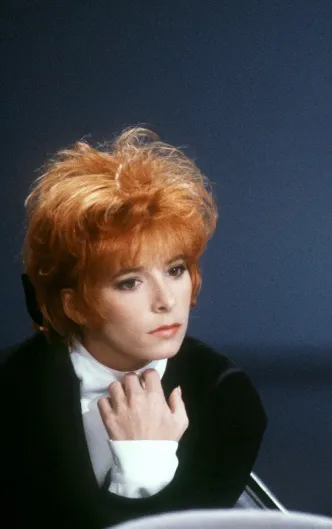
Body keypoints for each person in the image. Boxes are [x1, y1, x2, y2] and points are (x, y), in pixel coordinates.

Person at [0, 128, 267, 528]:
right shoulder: (11, 390)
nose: (166, 300)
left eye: (175, 270)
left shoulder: (224, 396)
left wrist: (145, 465)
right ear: (73, 303)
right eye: (130, 282)